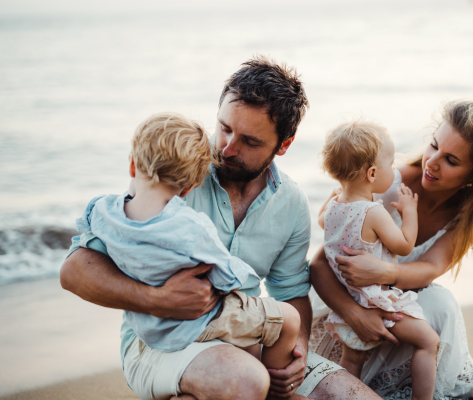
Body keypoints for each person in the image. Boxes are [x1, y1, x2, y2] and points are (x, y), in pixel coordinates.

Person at [61, 57, 388, 400]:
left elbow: (290, 291)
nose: (227, 148)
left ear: (284, 145)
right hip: (159, 343)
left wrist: (299, 349)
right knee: (244, 382)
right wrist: (156, 298)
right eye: (225, 128)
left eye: (250, 141)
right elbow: (74, 271)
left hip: (246, 334)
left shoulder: (290, 202)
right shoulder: (175, 177)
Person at [309, 101, 473, 400]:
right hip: (348, 302)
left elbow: (430, 268)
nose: (432, 162)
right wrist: (354, 315)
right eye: (433, 146)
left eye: (451, 160)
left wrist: (385, 271)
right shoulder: (384, 182)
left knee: (440, 303)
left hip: (392, 307)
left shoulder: (465, 216)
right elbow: (320, 263)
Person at [75, 112, 302, 372]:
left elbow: (85, 232)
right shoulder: (189, 226)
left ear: (132, 165)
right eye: (224, 128)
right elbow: (227, 275)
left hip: (148, 327)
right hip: (195, 322)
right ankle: (276, 390)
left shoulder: (102, 210)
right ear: (187, 189)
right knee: (286, 320)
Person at [317, 120, 440, 400]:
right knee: (428, 342)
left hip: (349, 303)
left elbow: (322, 220)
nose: (395, 169)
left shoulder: (333, 208)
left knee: (352, 362)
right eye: (391, 163)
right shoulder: (373, 212)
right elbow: (405, 245)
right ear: (372, 173)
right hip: (376, 302)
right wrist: (410, 211)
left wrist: (336, 194)